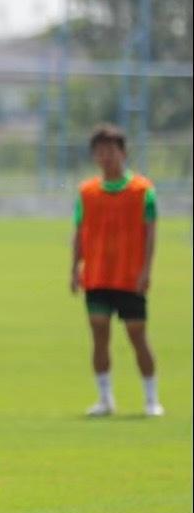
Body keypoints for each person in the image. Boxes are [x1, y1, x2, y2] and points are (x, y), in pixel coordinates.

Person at [70, 124, 162, 417]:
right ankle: (105, 399)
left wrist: (146, 270)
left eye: (111, 150)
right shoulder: (86, 192)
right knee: (99, 335)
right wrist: (75, 267)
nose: (105, 156)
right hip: (97, 276)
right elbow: (79, 231)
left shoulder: (142, 191)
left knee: (137, 336)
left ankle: (151, 399)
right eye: (99, 151)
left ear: (123, 153)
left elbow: (150, 233)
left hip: (129, 276)